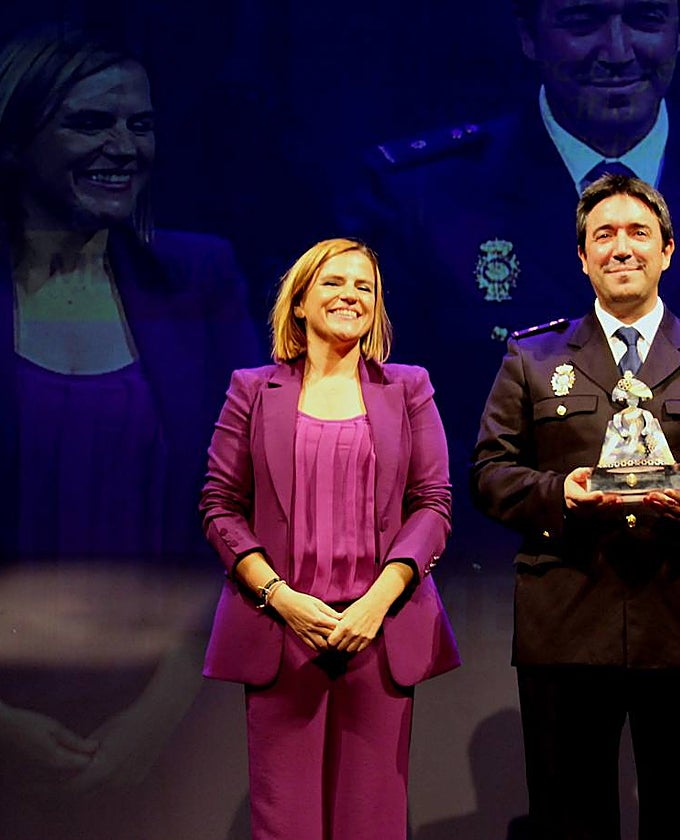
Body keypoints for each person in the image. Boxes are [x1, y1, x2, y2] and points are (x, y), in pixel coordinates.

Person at [342, 0, 680, 566]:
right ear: (529, 36)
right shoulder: (420, 197)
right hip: (497, 574)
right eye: (583, 23)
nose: (618, 51)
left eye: (646, 20)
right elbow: (384, 410)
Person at [0, 25, 258, 838]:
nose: (124, 147)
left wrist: (166, 705)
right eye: (89, 124)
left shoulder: (199, 277)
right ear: (16, 137)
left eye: (139, 125)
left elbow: (258, 505)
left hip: (176, 714)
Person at [471, 174, 680, 839]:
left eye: (638, 233)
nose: (621, 248)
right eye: (602, 235)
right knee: (569, 819)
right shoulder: (531, 357)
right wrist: (561, 494)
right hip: (568, 621)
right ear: (581, 256)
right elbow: (490, 474)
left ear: (668, 249)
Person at [200, 238, 460, 840]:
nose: (350, 296)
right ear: (298, 302)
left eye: (364, 287)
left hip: (379, 630)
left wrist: (377, 601)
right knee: (284, 822)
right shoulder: (252, 389)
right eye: (333, 283)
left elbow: (433, 502)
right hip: (283, 629)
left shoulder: (408, 387)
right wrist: (280, 596)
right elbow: (219, 505)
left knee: (373, 820)